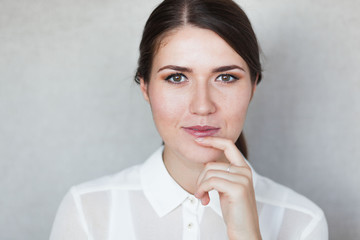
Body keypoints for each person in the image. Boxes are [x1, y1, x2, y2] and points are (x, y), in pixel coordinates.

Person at [50, 0, 328, 239]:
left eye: (226, 77)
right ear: (145, 87)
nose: (202, 106)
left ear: (253, 86)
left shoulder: (302, 222)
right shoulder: (87, 210)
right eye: (176, 77)